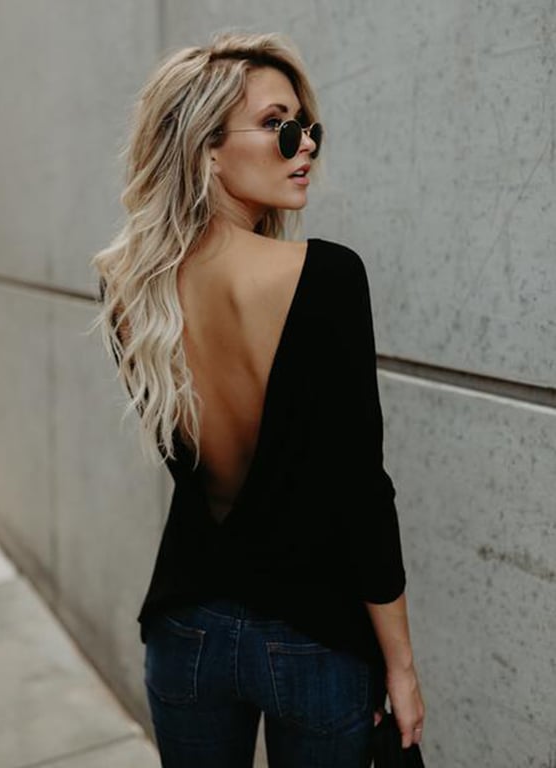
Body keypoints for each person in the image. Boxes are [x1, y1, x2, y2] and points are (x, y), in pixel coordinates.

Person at [92, 29, 424, 768]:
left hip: (185, 632)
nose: (305, 147)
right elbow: (361, 493)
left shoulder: (127, 289)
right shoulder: (326, 277)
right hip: (311, 641)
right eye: (278, 126)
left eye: (309, 128)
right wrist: (401, 667)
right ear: (207, 147)